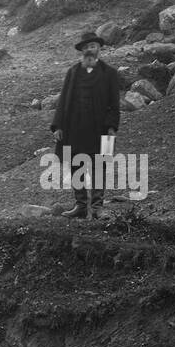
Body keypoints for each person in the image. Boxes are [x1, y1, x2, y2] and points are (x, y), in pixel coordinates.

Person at [50, 31, 122, 219]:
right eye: (86, 48)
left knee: (100, 165)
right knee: (76, 164)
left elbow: (114, 104)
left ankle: (97, 207)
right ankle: (81, 205)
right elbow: (64, 99)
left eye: (93, 47)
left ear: (99, 49)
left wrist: (112, 127)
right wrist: (58, 126)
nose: (89, 51)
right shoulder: (73, 72)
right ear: (82, 51)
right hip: (75, 126)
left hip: (100, 128)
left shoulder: (110, 73)